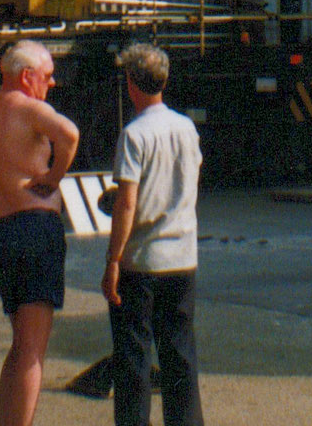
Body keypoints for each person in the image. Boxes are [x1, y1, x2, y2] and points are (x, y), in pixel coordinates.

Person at [0, 40, 79, 426]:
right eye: (46, 76)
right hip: (35, 227)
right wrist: (52, 176)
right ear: (27, 77)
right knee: (32, 351)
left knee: (18, 346)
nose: (51, 83)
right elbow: (70, 134)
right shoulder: (31, 108)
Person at [102, 42, 204, 426]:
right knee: (180, 356)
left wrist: (113, 261)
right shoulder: (186, 127)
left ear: (131, 82)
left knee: (134, 359)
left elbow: (127, 204)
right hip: (183, 259)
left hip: (142, 262)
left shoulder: (134, 135)